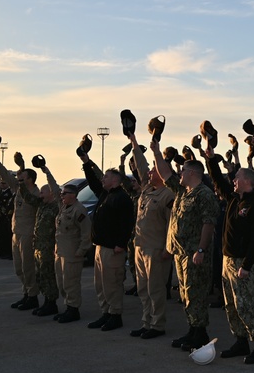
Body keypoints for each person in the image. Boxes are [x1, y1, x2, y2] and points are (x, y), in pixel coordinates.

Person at [151, 150, 218, 351]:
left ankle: (200, 333)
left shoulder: (204, 194)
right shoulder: (182, 191)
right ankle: (192, 329)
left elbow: (208, 223)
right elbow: (165, 174)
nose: (179, 173)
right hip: (180, 253)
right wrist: (155, 151)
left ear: (191, 173)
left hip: (194, 254)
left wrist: (201, 249)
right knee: (186, 293)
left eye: (183, 171)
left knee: (196, 293)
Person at [206, 152, 254, 364]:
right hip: (227, 260)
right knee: (231, 305)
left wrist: (247, 265)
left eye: (237, 177)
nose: (233, 180)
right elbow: (218, 181)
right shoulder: (234, 200)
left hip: (242, 263)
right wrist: (211, 160)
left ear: (248, 182)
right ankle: (240, 340)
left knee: (246, 305)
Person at [79, 149, 135, 332]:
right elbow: (94, 181)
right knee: (100, 284)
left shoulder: (122, 198)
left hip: (113, 249)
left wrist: (121, 243)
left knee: (112, 283)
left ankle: (115, 315)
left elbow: (126, 223)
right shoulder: (106, 194)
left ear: (115, 180)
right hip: (100, 247)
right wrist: (86, 162)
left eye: (106, 177)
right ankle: (106, 312)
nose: (103, 179)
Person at [126, 132, 175, 339]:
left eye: (154, 171)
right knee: (143, 288)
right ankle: (146, 322)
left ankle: (157, 325)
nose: (149, 173)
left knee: (155, 289)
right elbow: (140, 165)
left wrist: (168, 248)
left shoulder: (168, 194)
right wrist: (134, 141)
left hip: (156, 248)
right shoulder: (147, 189)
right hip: (140, 246)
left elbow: (172, 224)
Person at [0, 147, 41, 311]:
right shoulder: (18, 189)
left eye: (22, 177)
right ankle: (26, 294)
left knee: (28, 267)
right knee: (18, 268)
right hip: (16, 232)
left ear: (30, 179)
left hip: (28, 233)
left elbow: (32, 202)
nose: (18, 179)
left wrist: (23, 166)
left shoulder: (36, 193)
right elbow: (4, 174)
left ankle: (32, 297)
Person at [19, 165, 61, 317]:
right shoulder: (42, 205)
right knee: (41, 275)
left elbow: (56, 190)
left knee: (49, 275)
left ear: (51, 194)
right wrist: (21, 182)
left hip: (49, 247)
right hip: (39, 247)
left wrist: (47, 172)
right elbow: (28, 198)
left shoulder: (56, 207)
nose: (40, 194)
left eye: (43, 192)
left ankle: (51, 303)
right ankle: (46, 301)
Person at [53, 182, 92, 323]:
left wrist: (81, 251)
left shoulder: (79, 210)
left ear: (73, 195)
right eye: (62, 193)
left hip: (72, 253)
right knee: (62, 283)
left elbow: (86, 233)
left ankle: (73, 309)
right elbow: (53, 188)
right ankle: (68, 307)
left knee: (71, 283)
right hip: (60, 252)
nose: (61, 196)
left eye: (64, 193)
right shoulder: (64, 207)